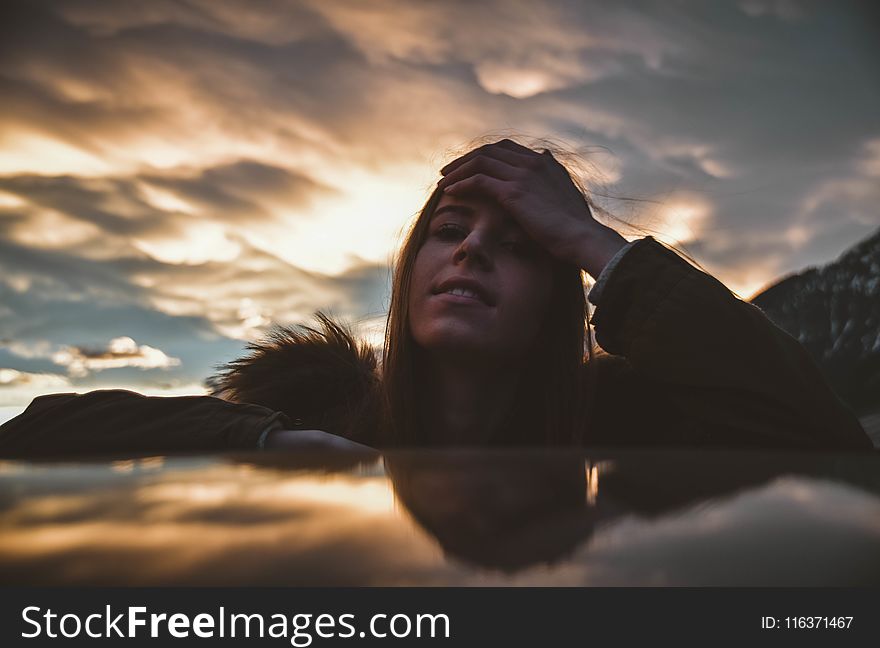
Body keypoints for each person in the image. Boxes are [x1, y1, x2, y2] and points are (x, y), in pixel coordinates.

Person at [0, 139, 872, 458]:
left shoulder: (630, 429)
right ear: (412, 269)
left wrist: (598, 244)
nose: (473, 250)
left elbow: (826, 439)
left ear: (559, 297)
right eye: (450, 228)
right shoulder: (310, 411)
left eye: (524, 244)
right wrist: (268, 438)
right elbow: (40, 428)